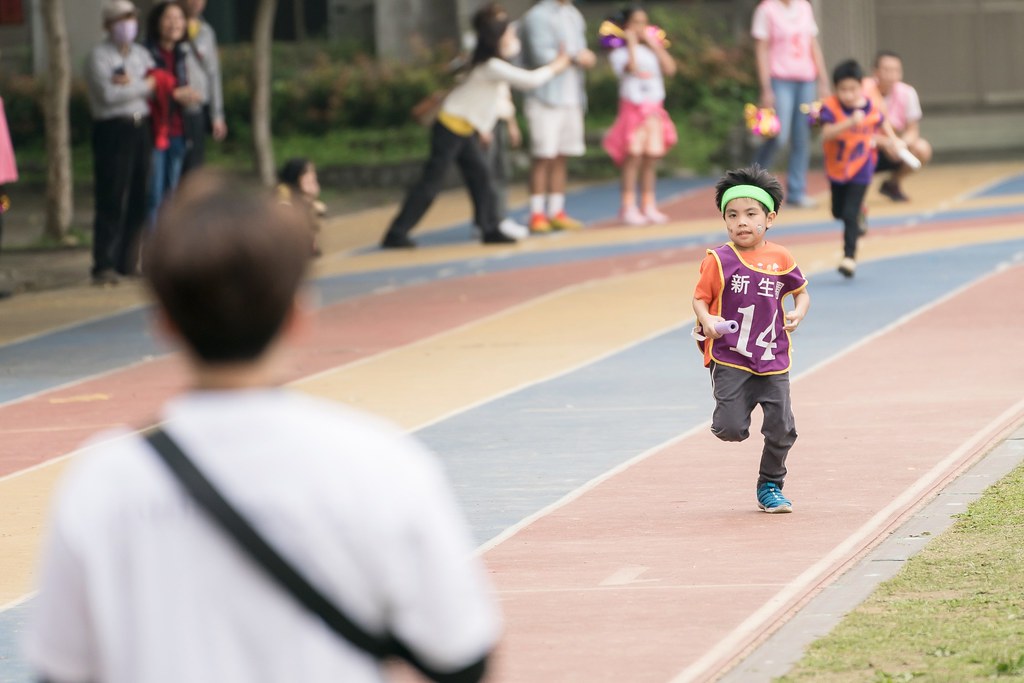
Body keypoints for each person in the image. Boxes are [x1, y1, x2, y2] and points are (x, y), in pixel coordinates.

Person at [24, 171, 502, 683]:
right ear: (298, 314)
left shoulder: (104, 482)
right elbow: (462, 655)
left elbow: (59, 670)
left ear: (163, 321)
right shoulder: (379, 463)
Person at [380, 3, 571, 249]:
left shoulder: (486, 63)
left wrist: (483, 128)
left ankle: (489, 228)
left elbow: (482, 101)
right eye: (508, 34)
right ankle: (396, 233)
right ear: (497, 38)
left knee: (482, 179)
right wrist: (558, 65)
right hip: (450, 128)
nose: (513, 37)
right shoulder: (491, 66)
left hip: (464, 129)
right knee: (432, 183)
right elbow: (530, 80)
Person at [691, 165, 810, 513]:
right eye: (732, 215)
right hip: (731, 356)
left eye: (750, 214)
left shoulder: (781, 258)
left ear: (769, 218)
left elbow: (801, 292)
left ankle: (770, 485)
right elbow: (699, 298)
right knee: (730, 429)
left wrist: (798, 312)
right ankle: (730, 419)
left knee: (782, 427)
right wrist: (707, 320)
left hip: (772, 357)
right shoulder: (719, 260)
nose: (741, 222)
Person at [83, 0, 156, 284]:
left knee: (140, 194)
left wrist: (132, 84)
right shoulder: (98, 57)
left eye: (131, 18)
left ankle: (128, 260)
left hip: (141, 127)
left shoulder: (141, 54)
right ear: (107, 25)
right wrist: (142, 86)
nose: (127, 25)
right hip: (113, 129)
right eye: (120, 19)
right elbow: (109, 95)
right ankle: (103, 262)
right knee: (111, 195)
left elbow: (157, 83)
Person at [819, 59, 902, 278]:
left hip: (862, 166)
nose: (848, 94)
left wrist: (893, 140)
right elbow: (826, 134)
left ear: (860, 87)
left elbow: (881, 121)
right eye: (843, 89)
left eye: (853, 89)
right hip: (838, 168)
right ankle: (860, 213)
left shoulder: (869, 106)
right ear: (836, 89)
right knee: (838, 211)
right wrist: (850, 122)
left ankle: (849, 258)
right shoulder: (830, 107)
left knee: (849, 213)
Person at [519, 0, 597, 233]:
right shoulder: (537, 15)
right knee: (543, 155)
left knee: (562, 155)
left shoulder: (573, 14)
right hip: (545, 97)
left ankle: (556, 211)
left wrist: (585, 57)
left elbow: (580, 51)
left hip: (572, 98)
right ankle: (536, 213)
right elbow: (541, 56)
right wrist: (576, 58)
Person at [599, 6, 678, 226]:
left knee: (650, 159)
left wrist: (654, 45)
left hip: (654, 110)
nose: (641, 27)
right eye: (636, 23)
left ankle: (648, 204)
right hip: (633, 109)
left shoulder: (652, 50)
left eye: (644, 22)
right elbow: (631, 68)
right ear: (626, 26)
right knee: (632, 158)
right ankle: (628, 206)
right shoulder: (619, 53)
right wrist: (632, 43)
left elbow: (670, 69)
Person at [750, 0, 830, 209]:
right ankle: (753, 183)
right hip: (780, 79)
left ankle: (796, 191)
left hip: (806, 79)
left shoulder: (804, 7)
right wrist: (766, 87)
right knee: (779, 135)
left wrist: (823, 79)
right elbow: (761, 50)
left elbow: (812, 44)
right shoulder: (766, 10)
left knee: (802, 136)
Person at [145, 1, 202, 224]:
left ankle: (170, 241)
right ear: (157, 22)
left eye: (179, 18)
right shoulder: (145, 53)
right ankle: (153, 242)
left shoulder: (183, 53)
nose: (174, 23)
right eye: (168, 18)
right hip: (154, 132)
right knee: (154, 195)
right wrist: (173, 93)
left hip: (179, 129)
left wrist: (189, 95)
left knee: (174, 193)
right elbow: (145, 89)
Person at [868, 50, 932, 202]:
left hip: (894, 148)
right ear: (876, 72)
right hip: (868, 147)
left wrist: (900, 144)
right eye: (887, 70)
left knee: (922, 148)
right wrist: (885, 143)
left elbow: (913, 131)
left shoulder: (907, 93)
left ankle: (892, 183)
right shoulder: (864, 91)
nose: (892, 75)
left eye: (896, 70)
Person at [177, 0, 227, 174]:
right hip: (172, 110)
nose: (197, 2)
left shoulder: (206, 31)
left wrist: (217, 115)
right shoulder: (171, 27)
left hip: (197, 109)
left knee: (195, 166)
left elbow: (213, 74)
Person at [276, 157, 326, 256]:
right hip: (280, 229)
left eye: (313, 171)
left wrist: (310, 197)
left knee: (317, 208)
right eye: (308, 172)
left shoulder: (304, 190)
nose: (312, 175)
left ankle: (310, 245)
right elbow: (283, 209)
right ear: (296, 174)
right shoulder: (283, 189)